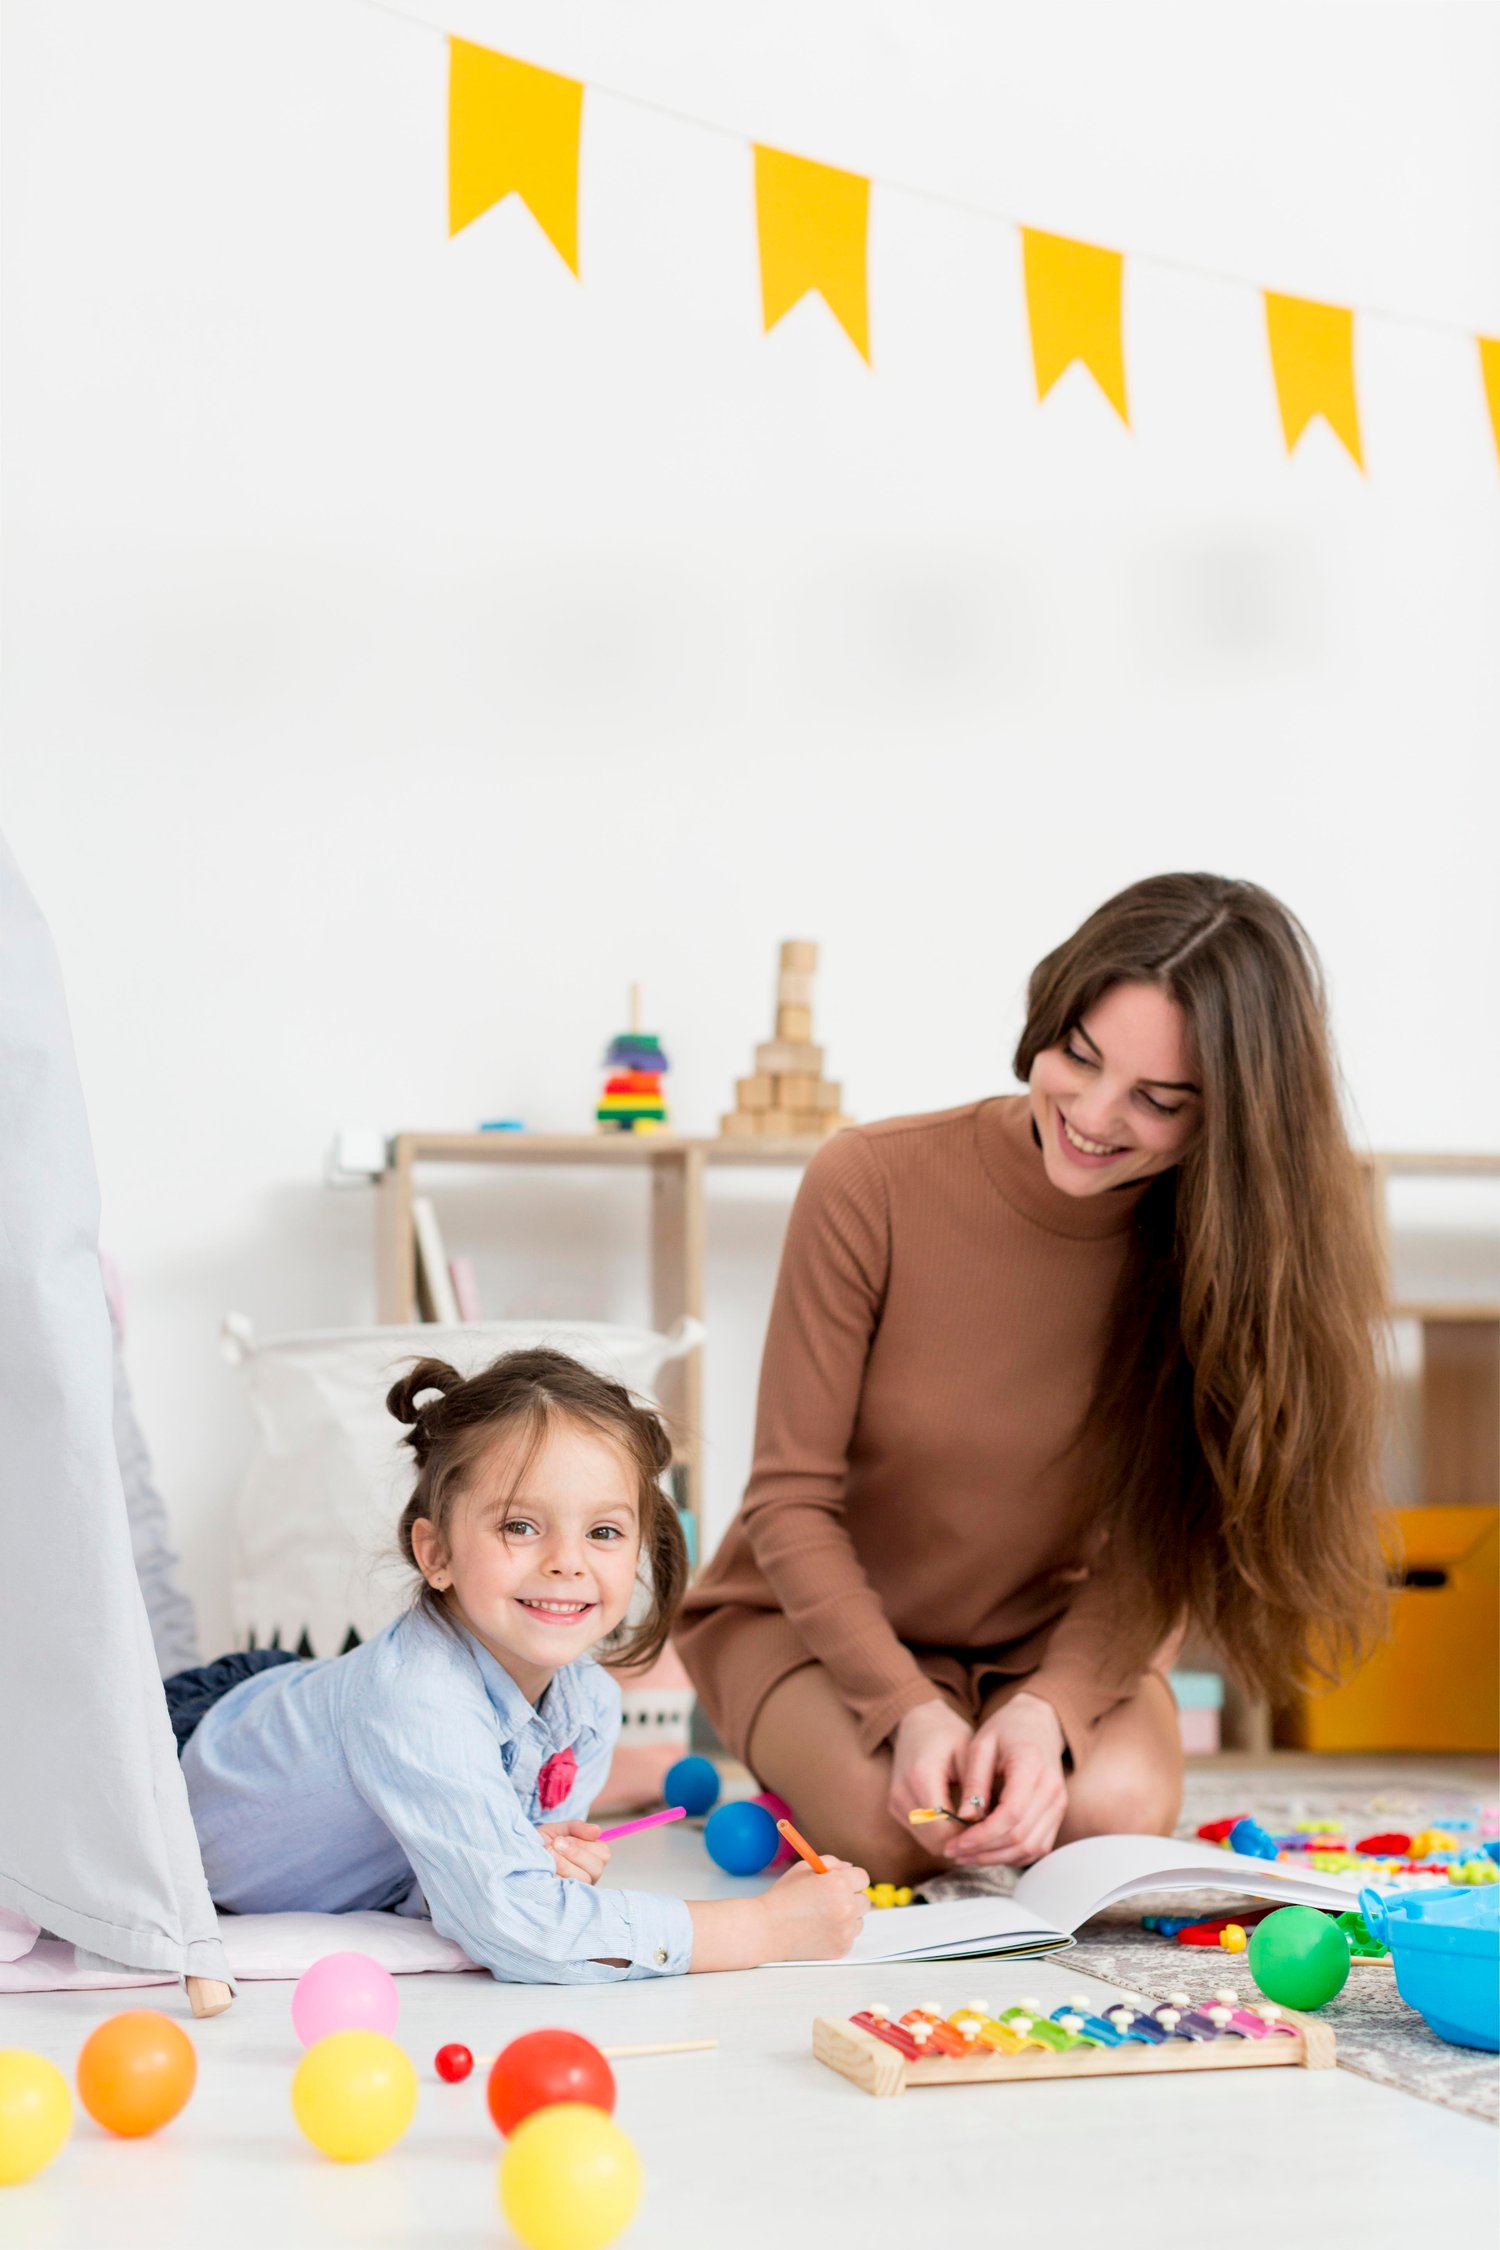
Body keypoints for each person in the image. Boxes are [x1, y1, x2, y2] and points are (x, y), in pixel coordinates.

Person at [677, 873, 1388, 1883]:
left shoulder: (1222, 1253)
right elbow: (789, 1502)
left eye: (1158, 1100)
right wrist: (906, 1706)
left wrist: (1050, 1710)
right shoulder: (870, 1181)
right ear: (1047, 1017)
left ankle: (993, 1730)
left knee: (1116, 1813)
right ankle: (844, 1747)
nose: (1095, 1115)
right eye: (1079, 1058)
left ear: (1230, 1117)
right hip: (806, 1625)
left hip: (1041, 1635)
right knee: (894, 1836)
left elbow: (1161, 1539)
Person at [172, 1348, 869, 1981]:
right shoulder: (419, 1699)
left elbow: (462, 1893)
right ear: (435, 1553)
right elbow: (523, 1927)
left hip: (302, 1731)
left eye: (602, 1532)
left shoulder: (585, 1703)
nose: (567, 1560)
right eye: (520, 1526)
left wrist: (535, 1859)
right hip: (185, 1754)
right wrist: (763, 1928)